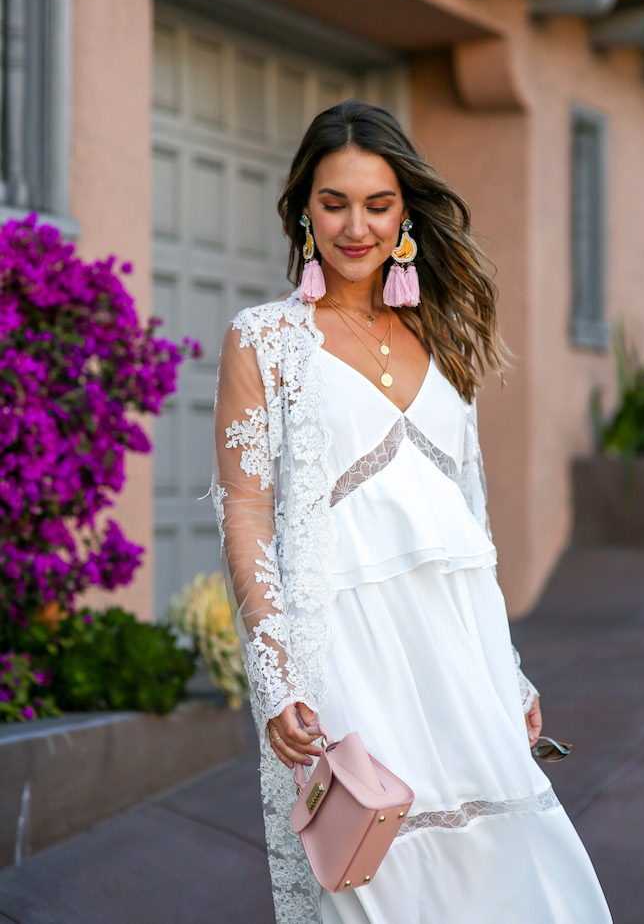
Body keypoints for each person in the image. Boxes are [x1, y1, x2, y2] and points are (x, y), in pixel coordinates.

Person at [213, 100, 612, 924]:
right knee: (381, 875)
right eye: (333, 202)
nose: (354, 226)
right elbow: (246, 511)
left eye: (377, 203)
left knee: (512, 865)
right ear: (301, 210)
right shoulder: (265, 340)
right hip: (344, 650)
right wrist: (277, 671)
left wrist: (509, 665)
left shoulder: (444, 332)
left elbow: (471, 521)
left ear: (404, 216)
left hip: (459, 646)